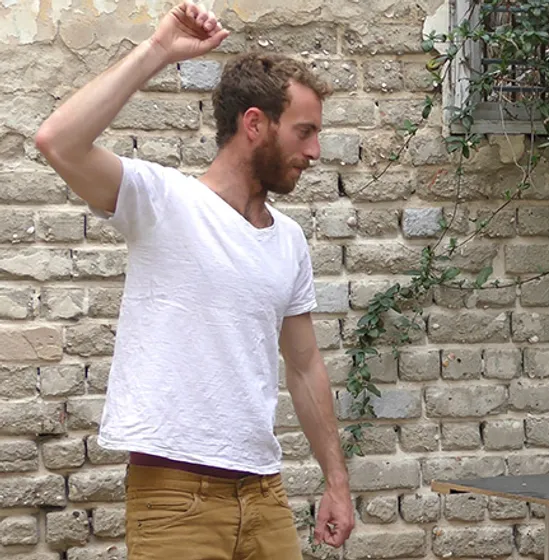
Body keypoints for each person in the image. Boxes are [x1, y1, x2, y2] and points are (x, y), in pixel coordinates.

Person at [34, 2, 355, 558]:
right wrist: (159, 50)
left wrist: (337, 482)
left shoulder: (289, 240)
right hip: (174, 496)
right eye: (304, 132)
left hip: (265, 493)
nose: (315, 151)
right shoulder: (163, 200)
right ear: (254, 124)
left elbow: (305, 366)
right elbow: (57, 141)